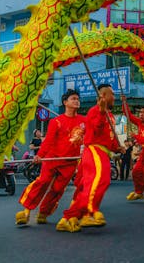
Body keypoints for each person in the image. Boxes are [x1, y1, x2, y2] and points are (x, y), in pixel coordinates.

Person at [57, 84, 124, 233]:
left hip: (102, 152)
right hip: (94, 151)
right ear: (103, 97)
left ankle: (68, 219)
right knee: (100, 180)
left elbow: (108, 137)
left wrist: (117, 147)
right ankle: (89, 212)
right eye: (111, 94)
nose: (114, 97)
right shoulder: (94, 111)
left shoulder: (109, 115)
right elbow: (94, 130)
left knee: (86, 187)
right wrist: (100, 112)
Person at [15, 89, 85, 226]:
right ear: (65, 102)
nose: (76, 101)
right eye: (73, 99)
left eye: (78, 99)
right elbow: (48, 141)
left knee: (58, 189)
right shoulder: (56, 121)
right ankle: (26, 211)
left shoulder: (84, 121)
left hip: (70, 161)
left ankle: (44, 213)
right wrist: (40, 155)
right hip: (52, 159)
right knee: (43, 182)